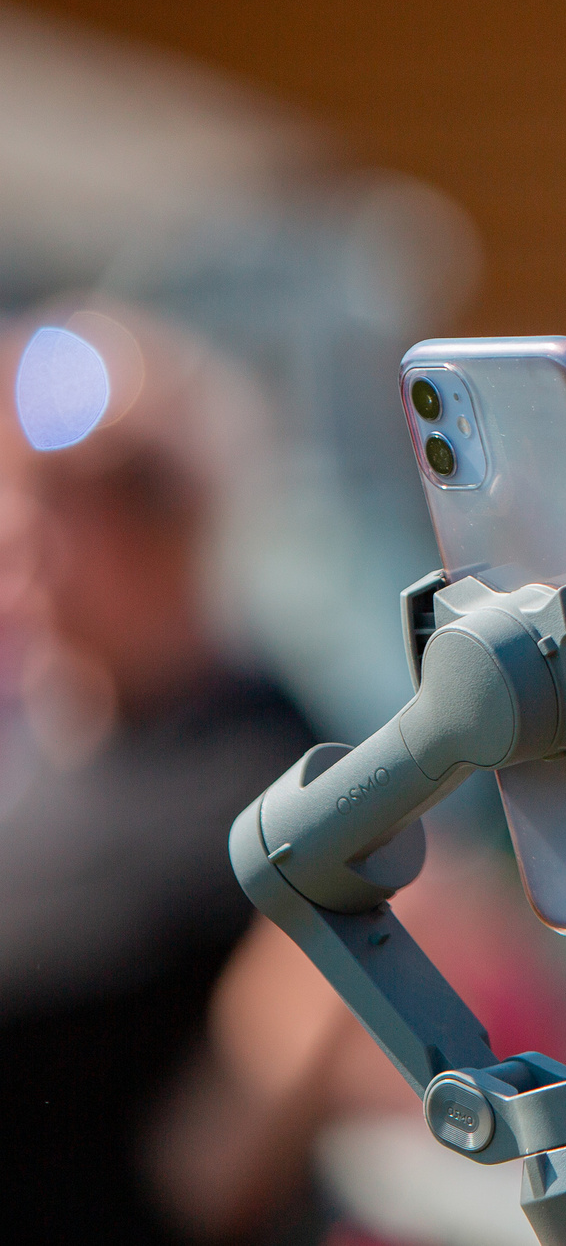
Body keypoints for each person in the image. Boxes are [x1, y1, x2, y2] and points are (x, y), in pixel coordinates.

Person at [0, 305, 316, 1244]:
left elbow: (231, 1134)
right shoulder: (34, 730)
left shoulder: (277, 771)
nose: (25, 526)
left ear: (177, 514)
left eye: (69, 491)